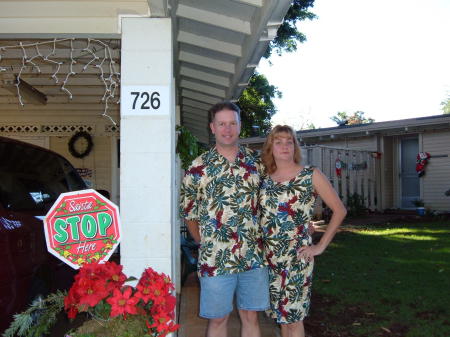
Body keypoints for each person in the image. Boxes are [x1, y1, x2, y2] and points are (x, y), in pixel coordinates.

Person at [180, 101, 269, 337]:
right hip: (215, 258)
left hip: (253, 255)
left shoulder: (257, 164)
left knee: (250, 315)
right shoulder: (198, 168)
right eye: (222, 124)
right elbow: (189, 213)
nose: (227, 129)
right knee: (218, 319)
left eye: (232, 123)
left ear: (240, 126)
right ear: (212, 127)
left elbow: (272, 205)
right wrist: (204, 243)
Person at [259, 125, 346, 337]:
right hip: (268, 259)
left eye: (289, 141)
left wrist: (320, 246)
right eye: (278, 141)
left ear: (295, 146)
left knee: (293, 320)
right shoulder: (264, 178)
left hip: (297, 258)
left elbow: (339, 210)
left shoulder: (310, 174)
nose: (284, 146)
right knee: (281, 318)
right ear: (271, 147)